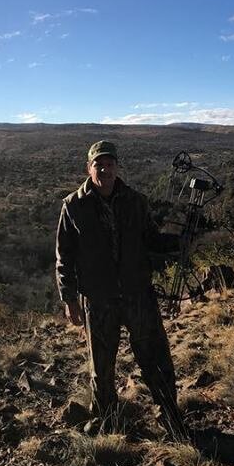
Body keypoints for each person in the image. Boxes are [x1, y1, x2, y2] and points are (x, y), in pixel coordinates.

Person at [55, 140, 187, 440]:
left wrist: (178, 241)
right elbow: (64, 257)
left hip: (137, 293)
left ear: (117, 166)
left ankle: (170, 415)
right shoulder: (73, 205)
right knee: (102, 365)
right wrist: (69, 299)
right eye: (98, 164)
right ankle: (107, 419)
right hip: (97, 299)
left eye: (109, 163)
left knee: (154, 356)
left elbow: (151, 240)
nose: (104, 169)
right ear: (89, 168)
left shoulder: (136, 201)